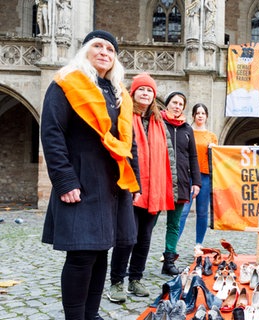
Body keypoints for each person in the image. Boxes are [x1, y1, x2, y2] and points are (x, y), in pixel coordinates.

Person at [41, 29, 139, 319]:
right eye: (98, 46)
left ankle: (91, 314)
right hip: (81, 180)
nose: (104, 53)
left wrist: (133, 182)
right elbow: (51, 132)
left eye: (110, 49)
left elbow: (127, 143)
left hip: (112, 183)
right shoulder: (66, 84)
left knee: (101, 253)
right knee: (82, 254)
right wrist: (64, 180)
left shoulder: (118, 93)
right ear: (85, 51)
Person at [108, 73, 176, 303]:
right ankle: (117, 282)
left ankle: (135, 278)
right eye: (141, 90)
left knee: (144, 237)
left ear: (154, 96)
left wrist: (171, 188)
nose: (146, 94)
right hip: (130, 187)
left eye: (149, 90)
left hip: (153, 190)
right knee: (126, 238)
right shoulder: (124, 115)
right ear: (133, 92)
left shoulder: (158, 122)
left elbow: (169, 158)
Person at [160, 92, 202, 275]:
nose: (177, 106)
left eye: (180, 104)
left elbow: (193, 156)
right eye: (174, 102)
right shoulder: (158, 124)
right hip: (160, 180)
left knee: (174, 224)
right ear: (167, 104)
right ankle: (137, 260)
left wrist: (197, 182)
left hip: (182, 181)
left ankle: (169, 261)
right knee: (148, 224)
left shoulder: (187, 128)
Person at [179, 103, 218, 256]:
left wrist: (214, 149)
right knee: (183, 212)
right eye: (198, 113)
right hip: (189, 176)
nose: (200, 115)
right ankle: (172, 246)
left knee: (202, 212)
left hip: (206, 176)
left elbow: (216, 158)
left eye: (203, 113)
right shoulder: (187, 131)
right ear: (194, 116)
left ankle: (198, 245)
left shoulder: (211, 136)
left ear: (206, 116)